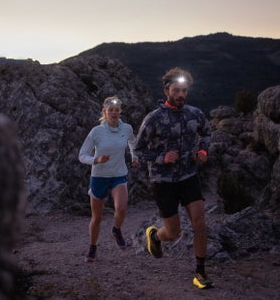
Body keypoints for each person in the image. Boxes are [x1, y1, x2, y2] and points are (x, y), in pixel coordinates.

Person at [134, 67, 214, 289]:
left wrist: (203, 151)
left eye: (184, 91)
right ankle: (156, 237)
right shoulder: (153, 119)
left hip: (188, 176)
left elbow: (207, 133)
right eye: (176, 90)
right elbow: (137, 150)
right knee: (173, 231)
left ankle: (200, 272)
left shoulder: (194, 114)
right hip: (163, 182)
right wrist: (161, 157)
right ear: (166, 90)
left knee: (200, 222)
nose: (181, 95)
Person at [79, 96, 139, 262]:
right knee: (97, 218)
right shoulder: (96, 132)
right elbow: (82, 155)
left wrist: (135, 157)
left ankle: (116, 230)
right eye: (110, 110)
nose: (114, 113)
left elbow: (133, 143)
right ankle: (92, 247)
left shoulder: (126, 128)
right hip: (99, 176)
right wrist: (95, 160)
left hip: (118, 174)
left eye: (117, 110)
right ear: (104, 112)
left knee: (121, 208)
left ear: (120, 112)